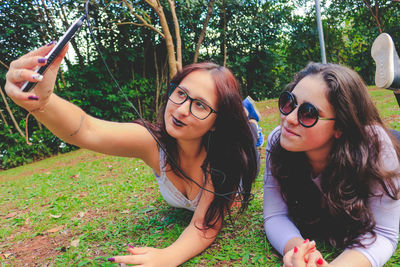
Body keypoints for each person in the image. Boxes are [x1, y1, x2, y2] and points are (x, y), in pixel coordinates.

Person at [5, 44, 259, 265]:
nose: (181, 110)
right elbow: (88, 129)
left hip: (239, 149)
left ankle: (249, 118)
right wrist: (42, 102)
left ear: (216, 122)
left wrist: (168, 256)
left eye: (200, 105)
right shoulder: (154, 144)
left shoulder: (224, 160)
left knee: (250, 132)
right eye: (181, 93)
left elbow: (204, 226)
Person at [263, 62, 400, 267]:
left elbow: (384, 233)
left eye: (308, 113)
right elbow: (275, 215)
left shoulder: (376, 146)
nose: (288, 119)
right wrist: (301, 252)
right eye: (289, 102)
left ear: (340, 126)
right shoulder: (280, 141)